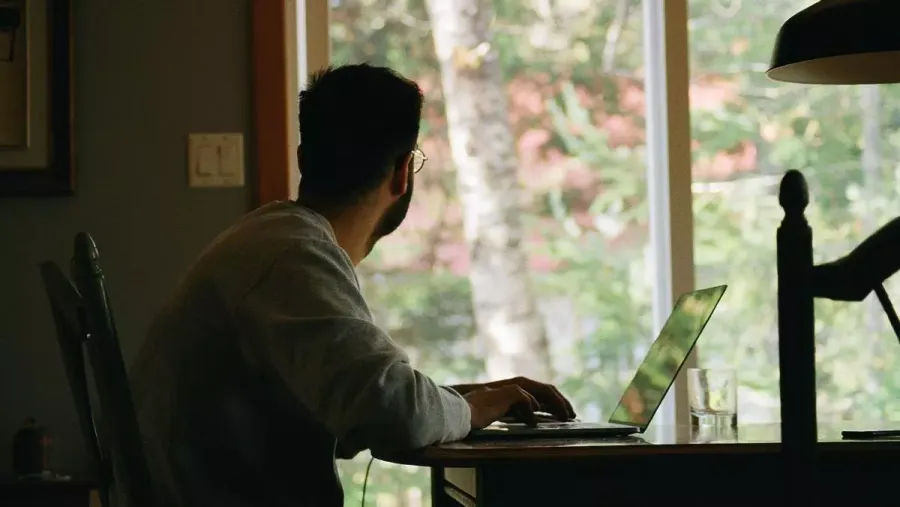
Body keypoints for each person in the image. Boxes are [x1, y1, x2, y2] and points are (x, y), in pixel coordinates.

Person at [130, 63, 575, 507]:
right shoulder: (293, 255)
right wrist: (473, 410)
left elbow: (356, 401)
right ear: (403, 173)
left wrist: (464, 401)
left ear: (303, 159)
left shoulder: (269, 242)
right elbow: (394, 416)